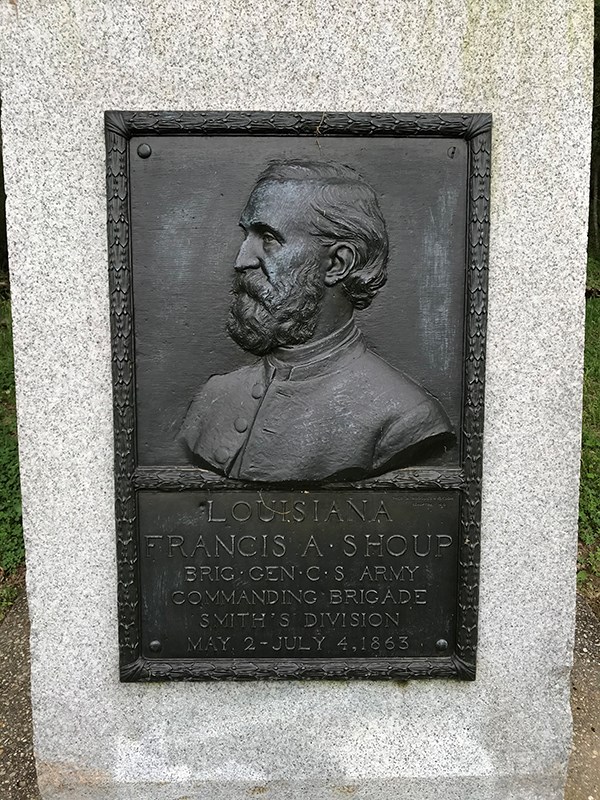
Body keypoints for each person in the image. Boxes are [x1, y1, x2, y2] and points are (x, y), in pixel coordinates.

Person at [180, 159, 453, 482]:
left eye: (268, 238)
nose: (241, 261)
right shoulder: (215, 397)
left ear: (338, 263)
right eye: (246, 235)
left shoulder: (404, 419)